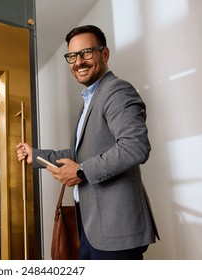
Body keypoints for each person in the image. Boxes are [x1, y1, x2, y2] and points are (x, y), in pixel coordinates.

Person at [16, 25, 159, 260]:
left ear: (105, 54)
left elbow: (135, 147)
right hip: (93, 228)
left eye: (86, 53)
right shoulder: (91, 98)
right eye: (72, 56)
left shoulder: (117, 91)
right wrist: (36, 155)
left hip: (115, 231)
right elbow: (78, 153)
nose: (78, 62)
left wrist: (81, 172)